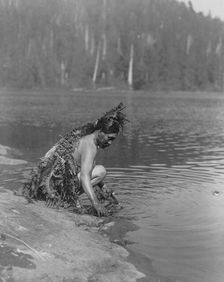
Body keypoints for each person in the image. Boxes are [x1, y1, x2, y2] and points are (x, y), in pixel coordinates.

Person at [22, 102, 128, 217]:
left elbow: (85, 168)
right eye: (109, 138)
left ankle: (70, 198)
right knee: (101, 171)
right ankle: (69, 199)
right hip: (58, 187)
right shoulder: (89, 145)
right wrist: (95, 203)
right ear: (100, 131)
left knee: (96, 171)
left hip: (55, 183)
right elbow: (84, 176)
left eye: (113, 140)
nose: (110, 142)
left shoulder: (87, 138)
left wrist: (103, 187)